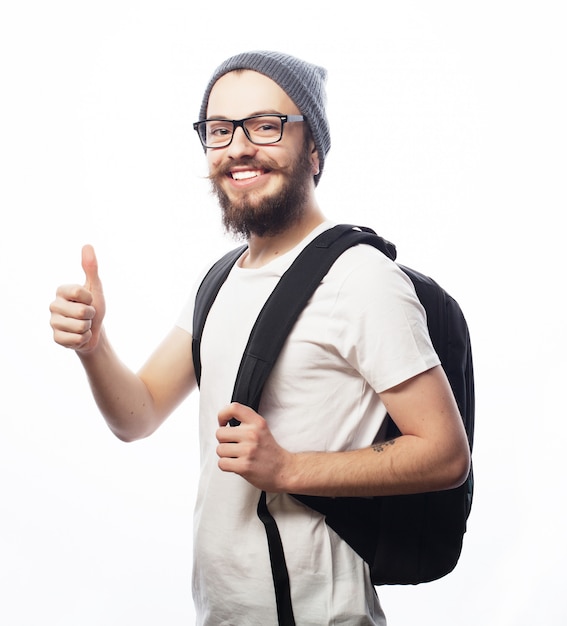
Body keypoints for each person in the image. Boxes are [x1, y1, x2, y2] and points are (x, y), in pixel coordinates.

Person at [50, 51, 471, 625]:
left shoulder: (360, 277)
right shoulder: (222, 279)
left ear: (315, 150)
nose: (238, 147)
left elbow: (445, 454)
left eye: (266, 125)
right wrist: (94, 347)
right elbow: (138, 415)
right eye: (219, 130)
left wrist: (289, 468)